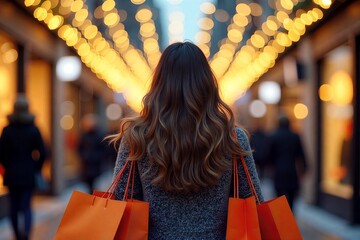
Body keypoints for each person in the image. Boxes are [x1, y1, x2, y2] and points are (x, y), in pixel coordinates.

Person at [111, 42, 264, 239]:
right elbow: (253, 199)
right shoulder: (232, 137)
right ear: (207, 84)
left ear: (159, 84)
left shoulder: (137, 136)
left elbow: (121, 199)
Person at [0, 94, 46, 240]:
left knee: (13, 207)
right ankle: (26, 235)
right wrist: (36, 167)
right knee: (26, 206)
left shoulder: (7, 130)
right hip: (28, 172)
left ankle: (17, 235)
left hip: (12, 173)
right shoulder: (33, 129)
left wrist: (7, 166)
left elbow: (1, 153)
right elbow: (43, 152)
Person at [268, 115, 307, 210]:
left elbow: (268, 156)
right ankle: (290, 220)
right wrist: (304, 169)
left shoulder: (274, 136)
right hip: (292, 172)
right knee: (292, 201)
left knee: (280, 199)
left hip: (279, 173)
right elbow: (301, 155)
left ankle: (282, 221)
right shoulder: (295, 136)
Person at [77, 114, 106, 194]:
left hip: (95, 165)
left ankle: (92, 199)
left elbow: (104, 150)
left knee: (94, 183)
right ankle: (91, 198)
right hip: (86, 165)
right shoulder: (83, 135)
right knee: (88, 183)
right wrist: (83, 156)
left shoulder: (99, 135)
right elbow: (79, 148)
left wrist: (96, 157)